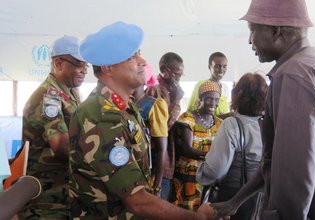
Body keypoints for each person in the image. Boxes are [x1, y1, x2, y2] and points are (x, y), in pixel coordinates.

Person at [212, 0, 315, 219]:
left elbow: (294, 173)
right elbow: (275, 162)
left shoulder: (293, 75)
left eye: (252, 31)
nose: (250, 41)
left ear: (275, 30)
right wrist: (234, 203)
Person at [68, 21, 222, 220]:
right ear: (108, 68)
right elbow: (137, 201)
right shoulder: (100, 115)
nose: (142, 61)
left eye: (139, 53)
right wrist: (198, 218)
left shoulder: (125, 107)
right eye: (132, 56)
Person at [20, 35, 88, 219]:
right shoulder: (48, 96)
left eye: (86, 66)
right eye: (78, 64)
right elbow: (61, 146)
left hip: (64, 193)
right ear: (58, 63)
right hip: (47, 199)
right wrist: (99, 154)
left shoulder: (70, 92)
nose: (84, 71)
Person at [196, 72, 268, 220]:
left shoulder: (232, 124)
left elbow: (216, 170)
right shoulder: (271, 125)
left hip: (232, 200)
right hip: (264, 199)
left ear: (237, 96)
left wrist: (201, 171)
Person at [172, 81, 223, 211]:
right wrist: (214, 156)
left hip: (209, 178)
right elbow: (187, 150)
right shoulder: (188, 118)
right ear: (201, 98)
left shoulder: (219, 123)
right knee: (186, 213)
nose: (213, 103)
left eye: (216, 99)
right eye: (209, 98)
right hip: (188, 177)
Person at [145, 52, 185, 201]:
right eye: (177, 75)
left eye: (181, 75)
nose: (179, 79)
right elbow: (163, 128)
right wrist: (176, 99)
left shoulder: (170, 89)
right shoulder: (155, 90)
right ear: (164, 70)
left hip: (167, 157)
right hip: (157, 161)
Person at [132, 64, 169, 197]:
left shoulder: (153, 105)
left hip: (148, 173)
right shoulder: (124, 103)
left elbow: (161, 149)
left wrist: (157, 187)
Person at [187, 52, 230, 117]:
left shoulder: (225, 87)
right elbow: (193, 112)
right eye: (218, 66)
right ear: (209, 67)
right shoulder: (202, 85)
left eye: (224, 67)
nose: (221, 70)